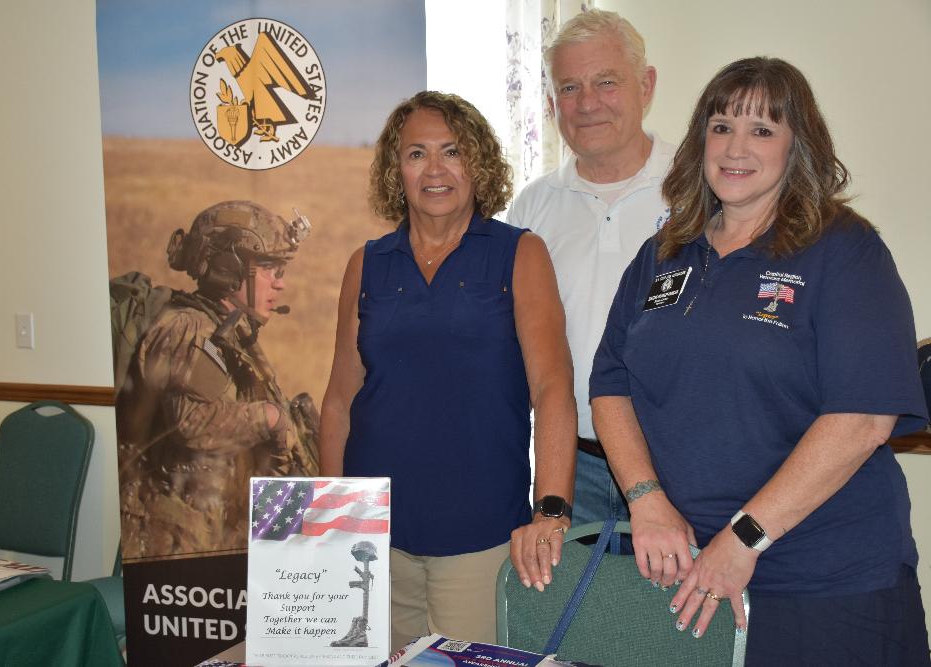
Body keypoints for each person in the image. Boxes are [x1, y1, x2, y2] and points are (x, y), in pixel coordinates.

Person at [589, 57, 930, 664]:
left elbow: (862, 419)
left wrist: (745, 537)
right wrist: (645, 499)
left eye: (763, 130)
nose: (735, 148)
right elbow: (610, 381)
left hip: (826, 579)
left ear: (798, 147)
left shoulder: (845, 250)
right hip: (694, 572)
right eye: (721, 126)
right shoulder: (665, 253)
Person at [319, 91, 576, 651]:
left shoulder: (519, 254)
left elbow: (553, 389)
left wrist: (552, 510)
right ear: (396, 169)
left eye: (452, 151)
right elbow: (340, 399)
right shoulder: (367, 263)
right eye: (417, 154)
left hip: (480, 536)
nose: (435, 170)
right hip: (374, 539)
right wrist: (333, 518)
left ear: (478, 164)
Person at [507, 9, 674, 527]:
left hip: (677, 465)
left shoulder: (698, 190)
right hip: (570, 470)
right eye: (569, 88)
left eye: (606, 82)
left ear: (646, 85)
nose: (587, 103)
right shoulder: (532, 208)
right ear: (550, 102)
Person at [116, 200, 319, 559]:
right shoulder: (189, 328)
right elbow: (191, 423)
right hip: (177, 540)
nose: (280, 283)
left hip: (213, 528)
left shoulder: (229, 332)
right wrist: (269, 418)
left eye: (281, 270)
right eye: (269, 268)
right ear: (228, 269)